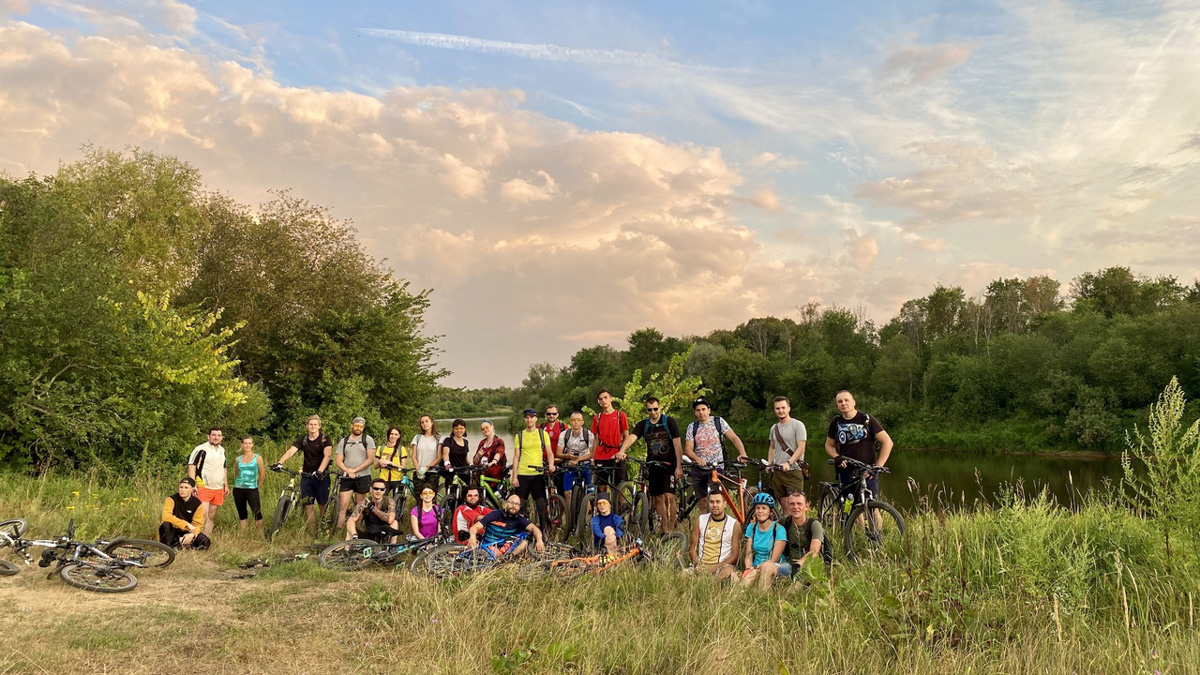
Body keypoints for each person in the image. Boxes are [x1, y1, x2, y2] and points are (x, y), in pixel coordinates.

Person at [618, 397, 682, 533]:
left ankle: (672, 532)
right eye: (649, 410)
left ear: (660, 407)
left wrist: (679, 466)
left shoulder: (669, 422)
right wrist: (622, 450)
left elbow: (677, 445)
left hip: (669, 464)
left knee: (669, 497)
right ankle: (664, 531)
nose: (653, 412)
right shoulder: (644, 425)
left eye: (655, 409)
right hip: (653, 465)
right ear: (646, 410)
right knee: (658, 498)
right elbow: (632, 438)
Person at [825, 390, 894, 500]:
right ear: (837, 405)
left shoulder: (866, 419)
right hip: (846, 470)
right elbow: (829, 445)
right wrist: (836, 457)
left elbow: (887, 442)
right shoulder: (836, 422)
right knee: (851, 504)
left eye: (846, 400)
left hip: (868, 471)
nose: (843, 403)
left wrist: (878, 466)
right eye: (840, 401)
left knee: (872, 505)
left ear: (853, 402)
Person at [274, 415, 334, 534]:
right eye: (310, 424)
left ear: (319, 426)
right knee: (308, 505)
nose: (313, 426)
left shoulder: (325, 439)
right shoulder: (303, 440)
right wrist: (279, 463)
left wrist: (320, 471)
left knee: (322, 504)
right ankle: (312, 533)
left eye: (315, 424)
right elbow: (291, 451)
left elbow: (327, 455)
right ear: (307, 426)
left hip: (321, 477)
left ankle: (324, 530)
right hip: (307, 476)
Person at [682, 397, 748, 497]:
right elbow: (688, 449)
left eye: (703, 409)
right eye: (698, 410)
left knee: (715, 497)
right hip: (699, 468)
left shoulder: (718, 421)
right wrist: (697, 459)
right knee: (703, 500)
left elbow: (734, 438)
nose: (701, 413)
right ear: (695, 413)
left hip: (716, 467)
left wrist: (742, 453)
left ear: (709, 410)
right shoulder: (692, 427)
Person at [511, 409, 555, 533]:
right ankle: (518, 533)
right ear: (524, 419)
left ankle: (545, 533)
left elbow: (550, 452)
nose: (529, 420)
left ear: (535, 419)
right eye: (527, 417)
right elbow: (516, 457)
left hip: (538, 474)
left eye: (531, 417)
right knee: (519, 506)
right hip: (523, 474)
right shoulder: (519, 435)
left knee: (541, 505)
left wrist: (551, 464)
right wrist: (514, 476)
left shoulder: (542, 434)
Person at [467, 494, 546, 557]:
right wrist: (472, 536)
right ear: (506, 504)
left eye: (517, 504)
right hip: (488, 546)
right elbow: (474, 527)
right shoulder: (494, 514)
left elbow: (535, 529)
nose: (514, 505)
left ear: (519, 507)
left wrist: (539, 540)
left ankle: (508, 558)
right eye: (511, 503)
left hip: (508, 548)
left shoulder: (520, 519)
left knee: (524, 543)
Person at [334, 416, 377, 532]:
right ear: (352, 425)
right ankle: (338, 530)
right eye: (357, 426)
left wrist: (355, 470)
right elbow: (338, 460)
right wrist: (348, 471)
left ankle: (355, 530)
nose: (358, 428)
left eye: (361, 427)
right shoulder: (344, 441)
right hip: (347, 477)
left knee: (359, 506)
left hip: (362, 477)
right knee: (343, 505)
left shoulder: (368, 440)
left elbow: (370, 459)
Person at [687, 492, 741, 580]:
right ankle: (702, 580)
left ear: (724, 504)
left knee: (727, 571)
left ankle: (708, 582)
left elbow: (735, 555)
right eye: (712, 502)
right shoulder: (700, 520)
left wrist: (715, 567)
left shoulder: (734, 524)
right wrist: (697, 563)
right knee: (682, 575)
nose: (715, 505)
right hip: (701, 565)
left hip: (721, 566)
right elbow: (692, 547)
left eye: (718, 502)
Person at [187, 426, 228, 540]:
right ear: (208, 436)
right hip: (203, 486)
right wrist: (192, 485)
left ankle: (206, 539)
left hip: (218, 488)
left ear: (221, 437)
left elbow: (224, 468)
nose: (216, 437)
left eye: (219, 435)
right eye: (213, 435)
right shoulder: (201, 449)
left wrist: (225, 484)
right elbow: (192, 466)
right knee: (202, 515)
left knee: (211, 516)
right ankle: (194, 539)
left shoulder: (222, 450)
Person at [741, 493, 787, 588]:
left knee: (765, 568)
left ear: (770, 512)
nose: (760, 511)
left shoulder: (779, 529)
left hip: (776, 566)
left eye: (764, 508)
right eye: (757, 508)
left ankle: (763, 595)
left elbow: (773, 560)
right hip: (755, 567)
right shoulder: (752, 528)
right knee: (743, 585)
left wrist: (757, 569)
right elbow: (748, 555)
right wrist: (748, 569)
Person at [767, 396, 807, 498]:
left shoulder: (798, 425)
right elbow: (772, 447)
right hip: (777, 472)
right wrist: (769, 464)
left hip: (794, 471)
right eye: (777, 408)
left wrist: (789, 463)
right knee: (781, 502)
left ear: (789, 408)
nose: (781, 411)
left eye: (783, 407)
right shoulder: (774, 428)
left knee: (796, 502)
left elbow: (801, 448)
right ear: (774, 410)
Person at [590, 389, 629, 492]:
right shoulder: (597, 418)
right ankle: (604, 502)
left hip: (617, 454)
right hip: (601, 455)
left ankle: (619, 503)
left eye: (605, 397)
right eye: (600, 399)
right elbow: (596, 440)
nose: (603, 400)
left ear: (611, 399)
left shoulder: (620, 415)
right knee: (601, 486)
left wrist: (622, 451)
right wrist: (592, 458)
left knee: (619, 487)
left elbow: (627, 437)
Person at [158, 477, 210, 550]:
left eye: (186, 488)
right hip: (172, 529)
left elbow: (198, 524)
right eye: (181, 487)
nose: (182, 490)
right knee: (165, 525)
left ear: (192, 489)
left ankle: (186, 548)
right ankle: (166, 550)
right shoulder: (171, 499)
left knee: (205, 541)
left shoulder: (197, 503)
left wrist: (192, 534)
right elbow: (166, 517)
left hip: (187, 531)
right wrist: (186, 524)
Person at [780, 492, 827, 569]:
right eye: (792, 504)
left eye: (799, 504)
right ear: (788, 506)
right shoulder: (784, 522)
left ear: (806, 506)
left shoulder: (814, 524)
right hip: (787, 565)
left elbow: (814, 552)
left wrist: (798, 565)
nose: (795, 507)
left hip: (809, 567)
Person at [556, 412, 595, 506]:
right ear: (570, 422)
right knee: (567, 493)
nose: (576, 422)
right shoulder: (564, 434)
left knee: (588, 494)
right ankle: (569, 513)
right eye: (573, 420)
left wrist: (578, 459)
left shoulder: (588, 434)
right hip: (570, 465)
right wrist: (568, 456)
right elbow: (558, 453)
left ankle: (586, 513)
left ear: (582, 422)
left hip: (585, 464)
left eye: (578, 420)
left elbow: (592, 454)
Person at [346, 479, 402, 543]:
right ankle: (347, 547)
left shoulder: (389, 501)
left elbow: (390, 519)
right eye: (376, 489)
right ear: (371, 489)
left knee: (394, 522)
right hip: (369, 534)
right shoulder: (364, 502)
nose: (378, 491)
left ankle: (392, 546)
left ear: (384, 491)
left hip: (384, 535)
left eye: (382, 489)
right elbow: (351, 520)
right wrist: (354, 535)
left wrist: (373, 509)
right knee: (349, 528)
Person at [232, 435, 266, 533]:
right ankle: (244, 535)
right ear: (242, 444)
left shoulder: (257, 458)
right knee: (242, 513)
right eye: (245, 443)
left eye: (249, 443)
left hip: (252, 488)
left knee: (257, 513)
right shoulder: (238, 459)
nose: (247, 445)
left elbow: (262, 475)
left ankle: (260, 534)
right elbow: (236, 474)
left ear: (252, 445)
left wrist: (257, 487)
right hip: (238, 489)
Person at [410, 415, 442, 497]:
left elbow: (439, 458)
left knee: (430, 497)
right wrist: (418, 470)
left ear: (432, 422)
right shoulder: (417, 437)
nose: (424, 424)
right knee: (420, 497)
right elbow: (413, 456)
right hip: (419, 472)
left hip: (432, 472)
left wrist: (427, 468)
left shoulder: (438, 438)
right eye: (422, 422)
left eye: (427, 421)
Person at [539, 405, 568, 495]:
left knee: (560, 488)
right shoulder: (540, 427)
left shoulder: (563, 427)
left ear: (557, 415)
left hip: (559, 461)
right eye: (549, 414)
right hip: (544, 461)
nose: (551, 416)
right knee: (543, 488)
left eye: (554, 414)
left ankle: (560, 503)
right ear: (545, 415)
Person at [375, 425, 409, 502]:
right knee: (380, 501)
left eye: (396, 434)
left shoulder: (401, 449)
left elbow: (403, 467)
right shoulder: (381, 448)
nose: (393, 436)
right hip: (383, 479)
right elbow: (375, 466)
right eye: (391, 434)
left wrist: (390, 463)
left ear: (399, 436)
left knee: (397, 502)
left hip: (397, 479)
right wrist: (380, 463)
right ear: (388, 434)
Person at [440, 419, 471, 502]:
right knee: (452, 495)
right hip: (452, 471)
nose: (459, 430)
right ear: (453, 429)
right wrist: (447, 464)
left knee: (466, 494)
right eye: (456, 428)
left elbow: (465, 457)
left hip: (464, 472)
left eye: (461, 428)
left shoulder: (466, 442)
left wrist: (471, 464)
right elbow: (445, 453)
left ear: (464, 429)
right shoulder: (448, 441)